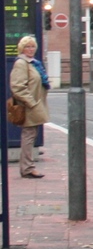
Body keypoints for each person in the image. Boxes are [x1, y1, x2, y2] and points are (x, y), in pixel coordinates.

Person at [9, 36, 50, 178]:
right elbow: (17, 87)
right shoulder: (21, 63)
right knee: (28, 136)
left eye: (33, 46)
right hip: (29, 107)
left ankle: (28, 166)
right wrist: (32, 103)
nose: (31, 49)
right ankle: (27, 168)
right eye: (28, 47)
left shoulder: (34, 63)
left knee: (31, 136)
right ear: (22, 48)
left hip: (35, 105)